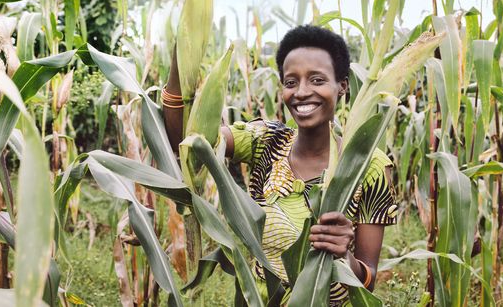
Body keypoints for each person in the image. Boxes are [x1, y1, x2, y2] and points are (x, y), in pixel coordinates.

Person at [163, 25, 397, 305]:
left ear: (342, 85)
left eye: (317, 80)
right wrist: (181, 59)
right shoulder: (266, 141)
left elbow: (367, 281)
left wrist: (344, 256)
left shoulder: (367, 166)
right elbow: (191, 141)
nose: (301, 92)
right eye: (290, 82)